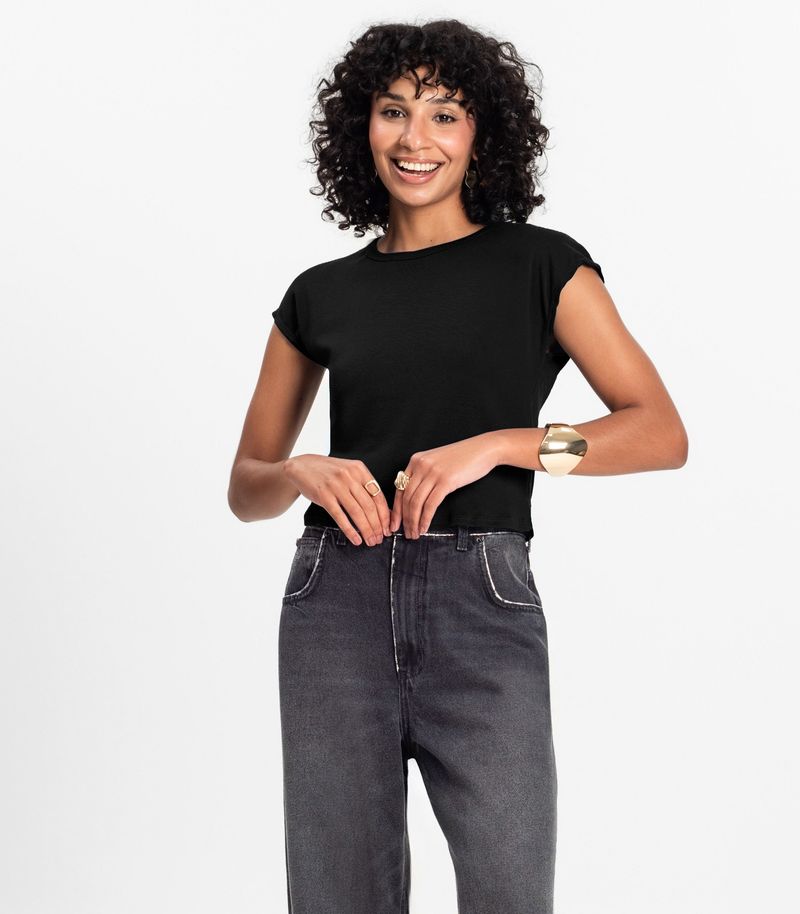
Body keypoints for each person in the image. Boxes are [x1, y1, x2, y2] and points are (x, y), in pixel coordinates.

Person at [228, 18, 688, 914]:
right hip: (334, 602)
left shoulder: (542, 266)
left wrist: (506, 444)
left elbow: (659, 432)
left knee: (510, 889)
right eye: (393, 110)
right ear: (361, 128)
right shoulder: (320, 293)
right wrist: (298, 472)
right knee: (336, 896)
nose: (416, 138)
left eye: (444, 113)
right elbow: (246, 484)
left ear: (483, 133)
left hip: (482, 595)